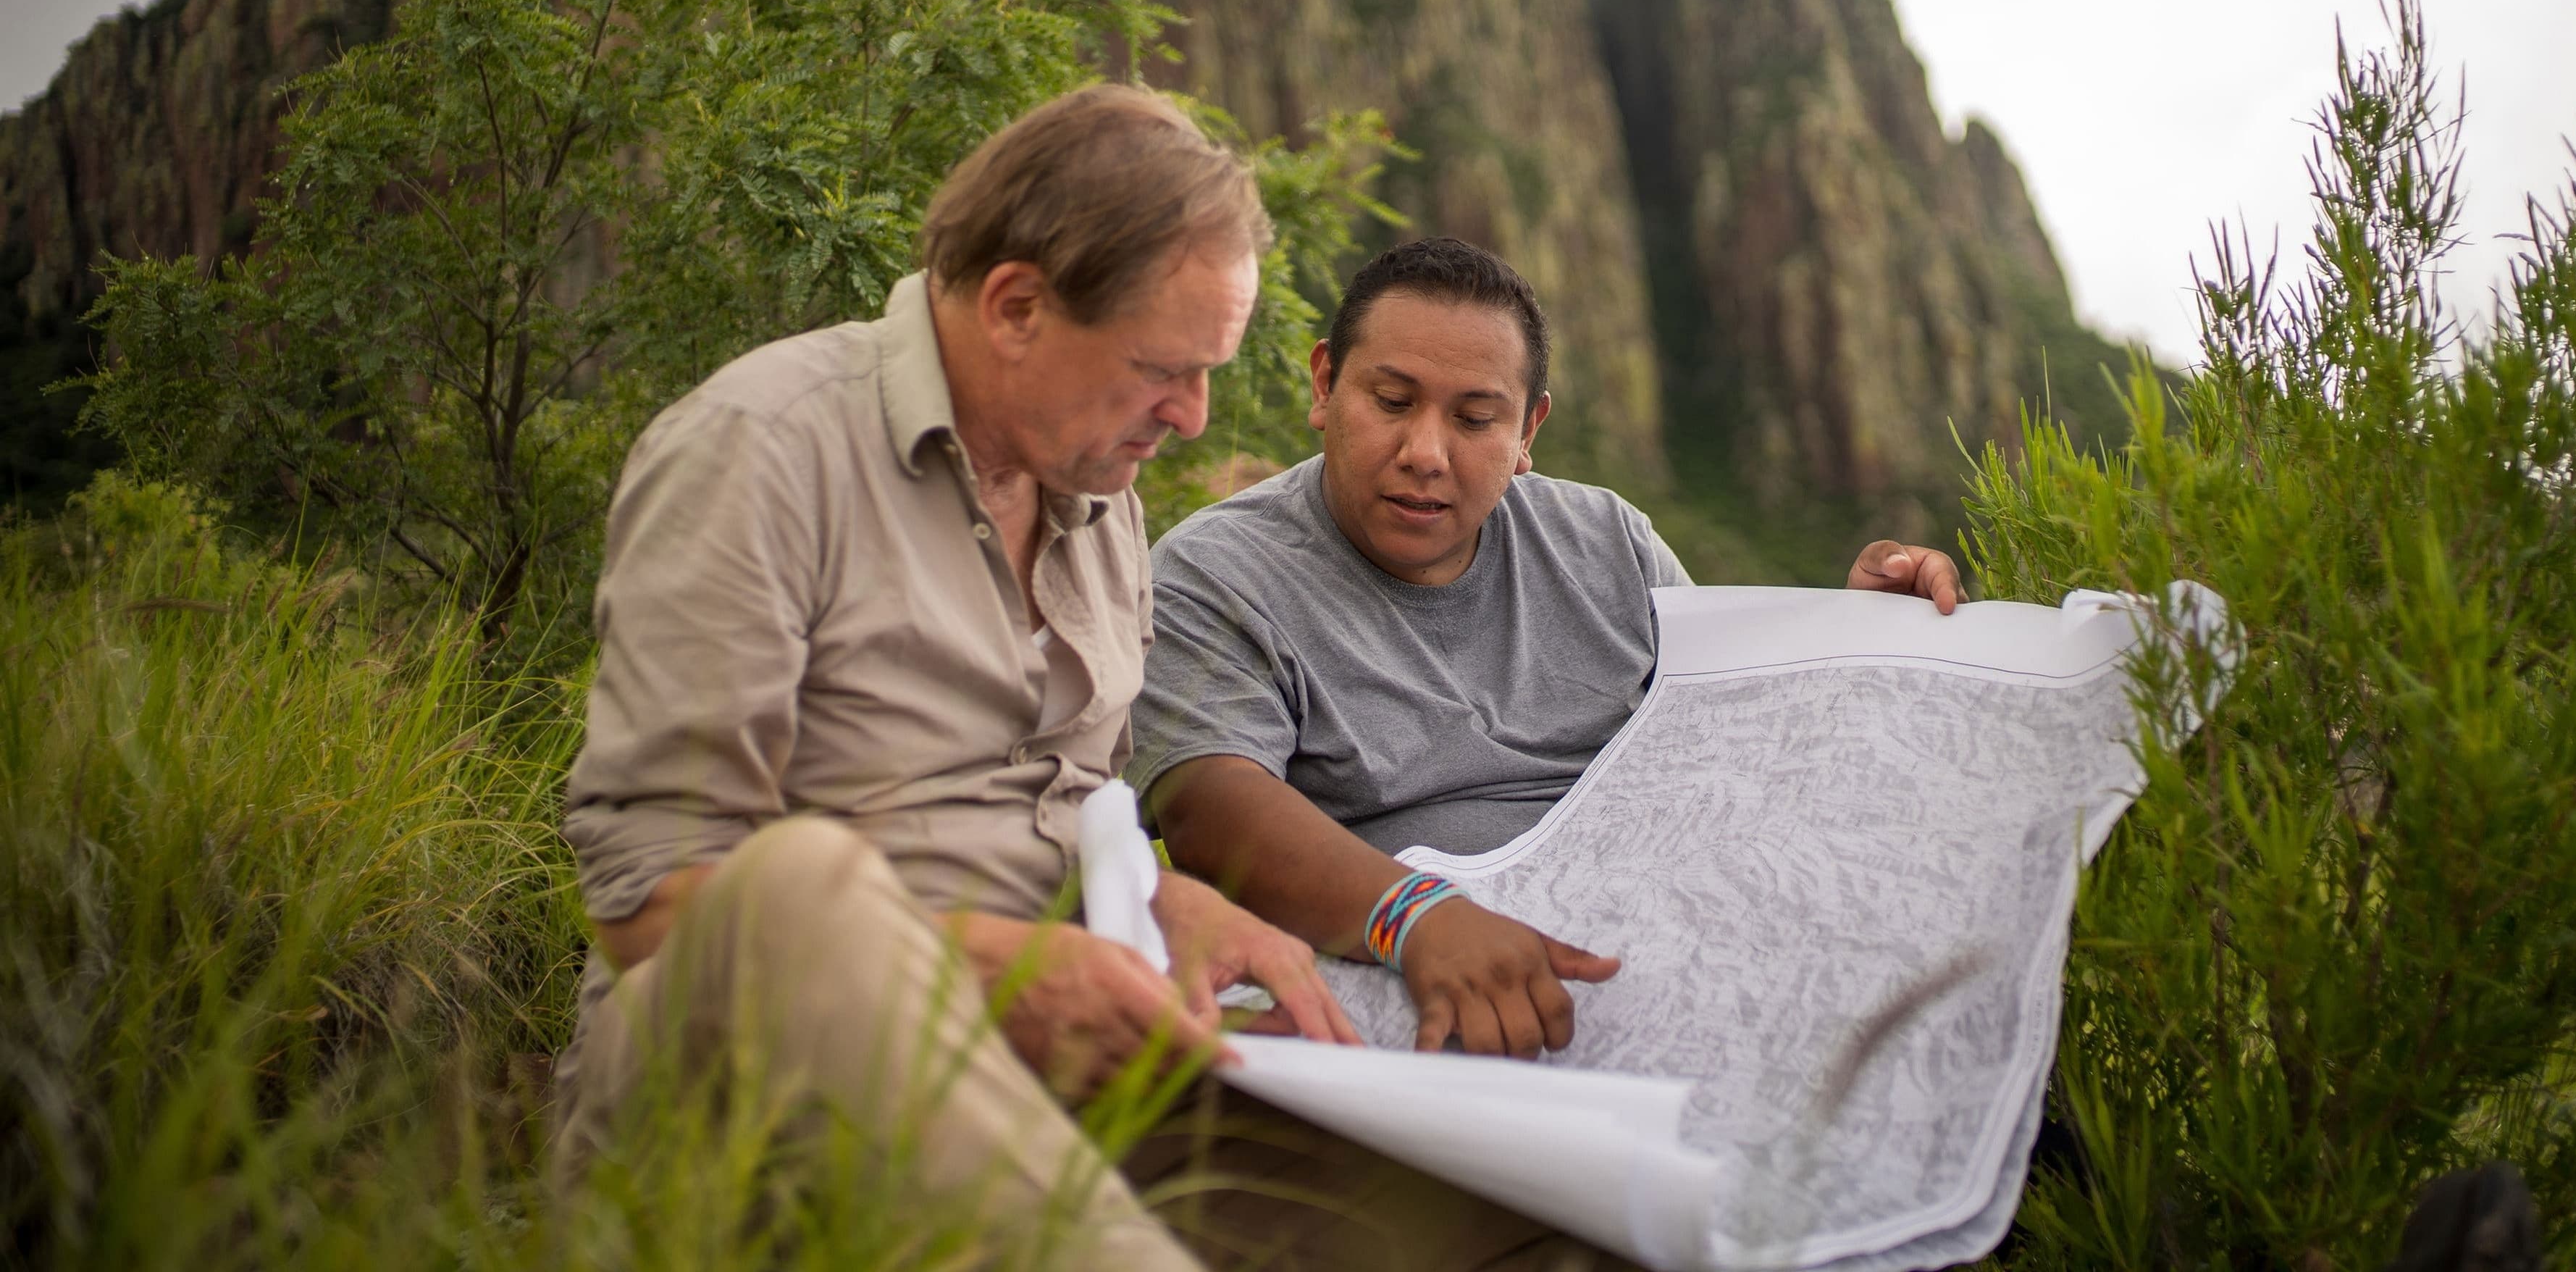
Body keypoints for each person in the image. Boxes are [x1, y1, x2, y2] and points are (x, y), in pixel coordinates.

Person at [555, 91, 1627, 1271]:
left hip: (1052, 1060)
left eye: (1209, 372)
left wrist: (1162, 905)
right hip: (766, 1073)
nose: (1194, 415)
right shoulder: (762, 451)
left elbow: (1073, 813)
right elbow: (653, 903)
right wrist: (1007, 969)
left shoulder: (1097, 493)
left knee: (1527, 1212)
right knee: (801, 887)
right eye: (1163, 369)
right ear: (1016, 306)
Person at [1130, 237, 1962, 1062]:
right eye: (1391, 401)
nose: (1425, 453)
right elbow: (1211, 809)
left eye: (1475, 418)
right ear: (1324, 384)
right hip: (1404, 976)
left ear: (1529, 429)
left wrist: (1859, 645)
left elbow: (1724, 731)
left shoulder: (1607, 540)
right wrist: (1417, 919)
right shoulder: (1217, 575)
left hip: (1659, 940)